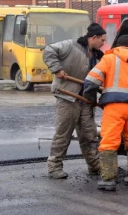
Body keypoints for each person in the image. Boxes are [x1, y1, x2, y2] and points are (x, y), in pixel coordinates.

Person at [83, 34, 128, 192]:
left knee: (109, 142)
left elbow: (91, 80)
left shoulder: (110, 59)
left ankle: (108, 180)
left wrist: (91, 99)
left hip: (114, 107)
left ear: (117, 46)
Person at [42, 23, 106, 179]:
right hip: (68, 97)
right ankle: (54, 167)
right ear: (94, 37)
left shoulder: (97, 55)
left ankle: (95, 166)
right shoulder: (71, 45)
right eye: (102, 40)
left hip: (85, 99)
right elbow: (48, 50)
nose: (103, 43)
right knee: (63, 133)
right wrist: (56, 69)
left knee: (89, 135)